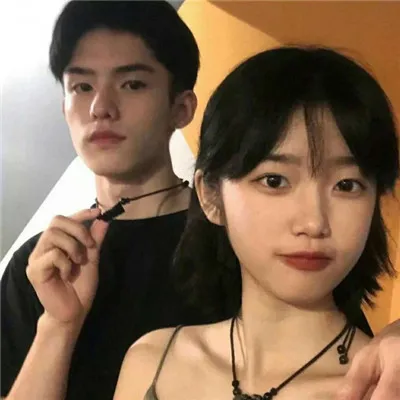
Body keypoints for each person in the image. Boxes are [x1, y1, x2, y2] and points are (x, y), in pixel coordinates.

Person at [113, 46, 400, 400]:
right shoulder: (153, 361)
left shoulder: (382, 389)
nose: (314, 223)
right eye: (275, 181)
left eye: (347, 185)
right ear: (211, 196)